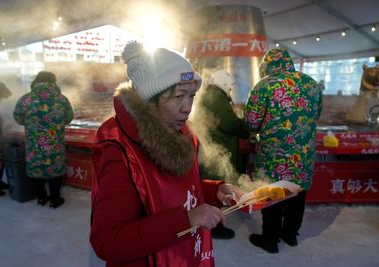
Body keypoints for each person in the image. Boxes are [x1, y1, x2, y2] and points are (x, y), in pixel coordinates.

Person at [90, 41, 244, 267]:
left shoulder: (182, 132)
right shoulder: (120, 150)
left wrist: (215, 190)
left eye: (191, 96)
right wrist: (186, 219)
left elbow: (178, 189)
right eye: (178, 96)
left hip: (186, 255)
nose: (187, 107)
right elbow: (108, 241)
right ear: (149, 101)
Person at [244, 48, 322, 253]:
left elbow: (251, 121)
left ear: (266, 65)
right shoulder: (311, 84)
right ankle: (290, 235)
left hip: (274, 157)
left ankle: (270, 240)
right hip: (303, 156)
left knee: (273, 195)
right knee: (297, 195)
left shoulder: (264, 86)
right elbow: (317, 114)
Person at [193, 69, 250, 239]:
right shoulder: (217, 97)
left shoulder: (209, 94)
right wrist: (245, 129)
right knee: (215, 187)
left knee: (211, 186)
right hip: (215, 150)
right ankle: (215, 227)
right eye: (230, 87)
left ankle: (212, 222)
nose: (230, 90)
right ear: (224, 84)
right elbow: (229, 124)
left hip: (208, 147)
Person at [13, 71, 74, 208]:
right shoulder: (61, 99)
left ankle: (41, 197)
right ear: (54, 82)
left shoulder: (26, 99)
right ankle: (55, 199)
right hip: (55, 141)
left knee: (36, 168)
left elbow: (18, 118)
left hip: (34, 141)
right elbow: (69, 117)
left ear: (36, 80)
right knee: (55, 168)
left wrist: (31, 125)